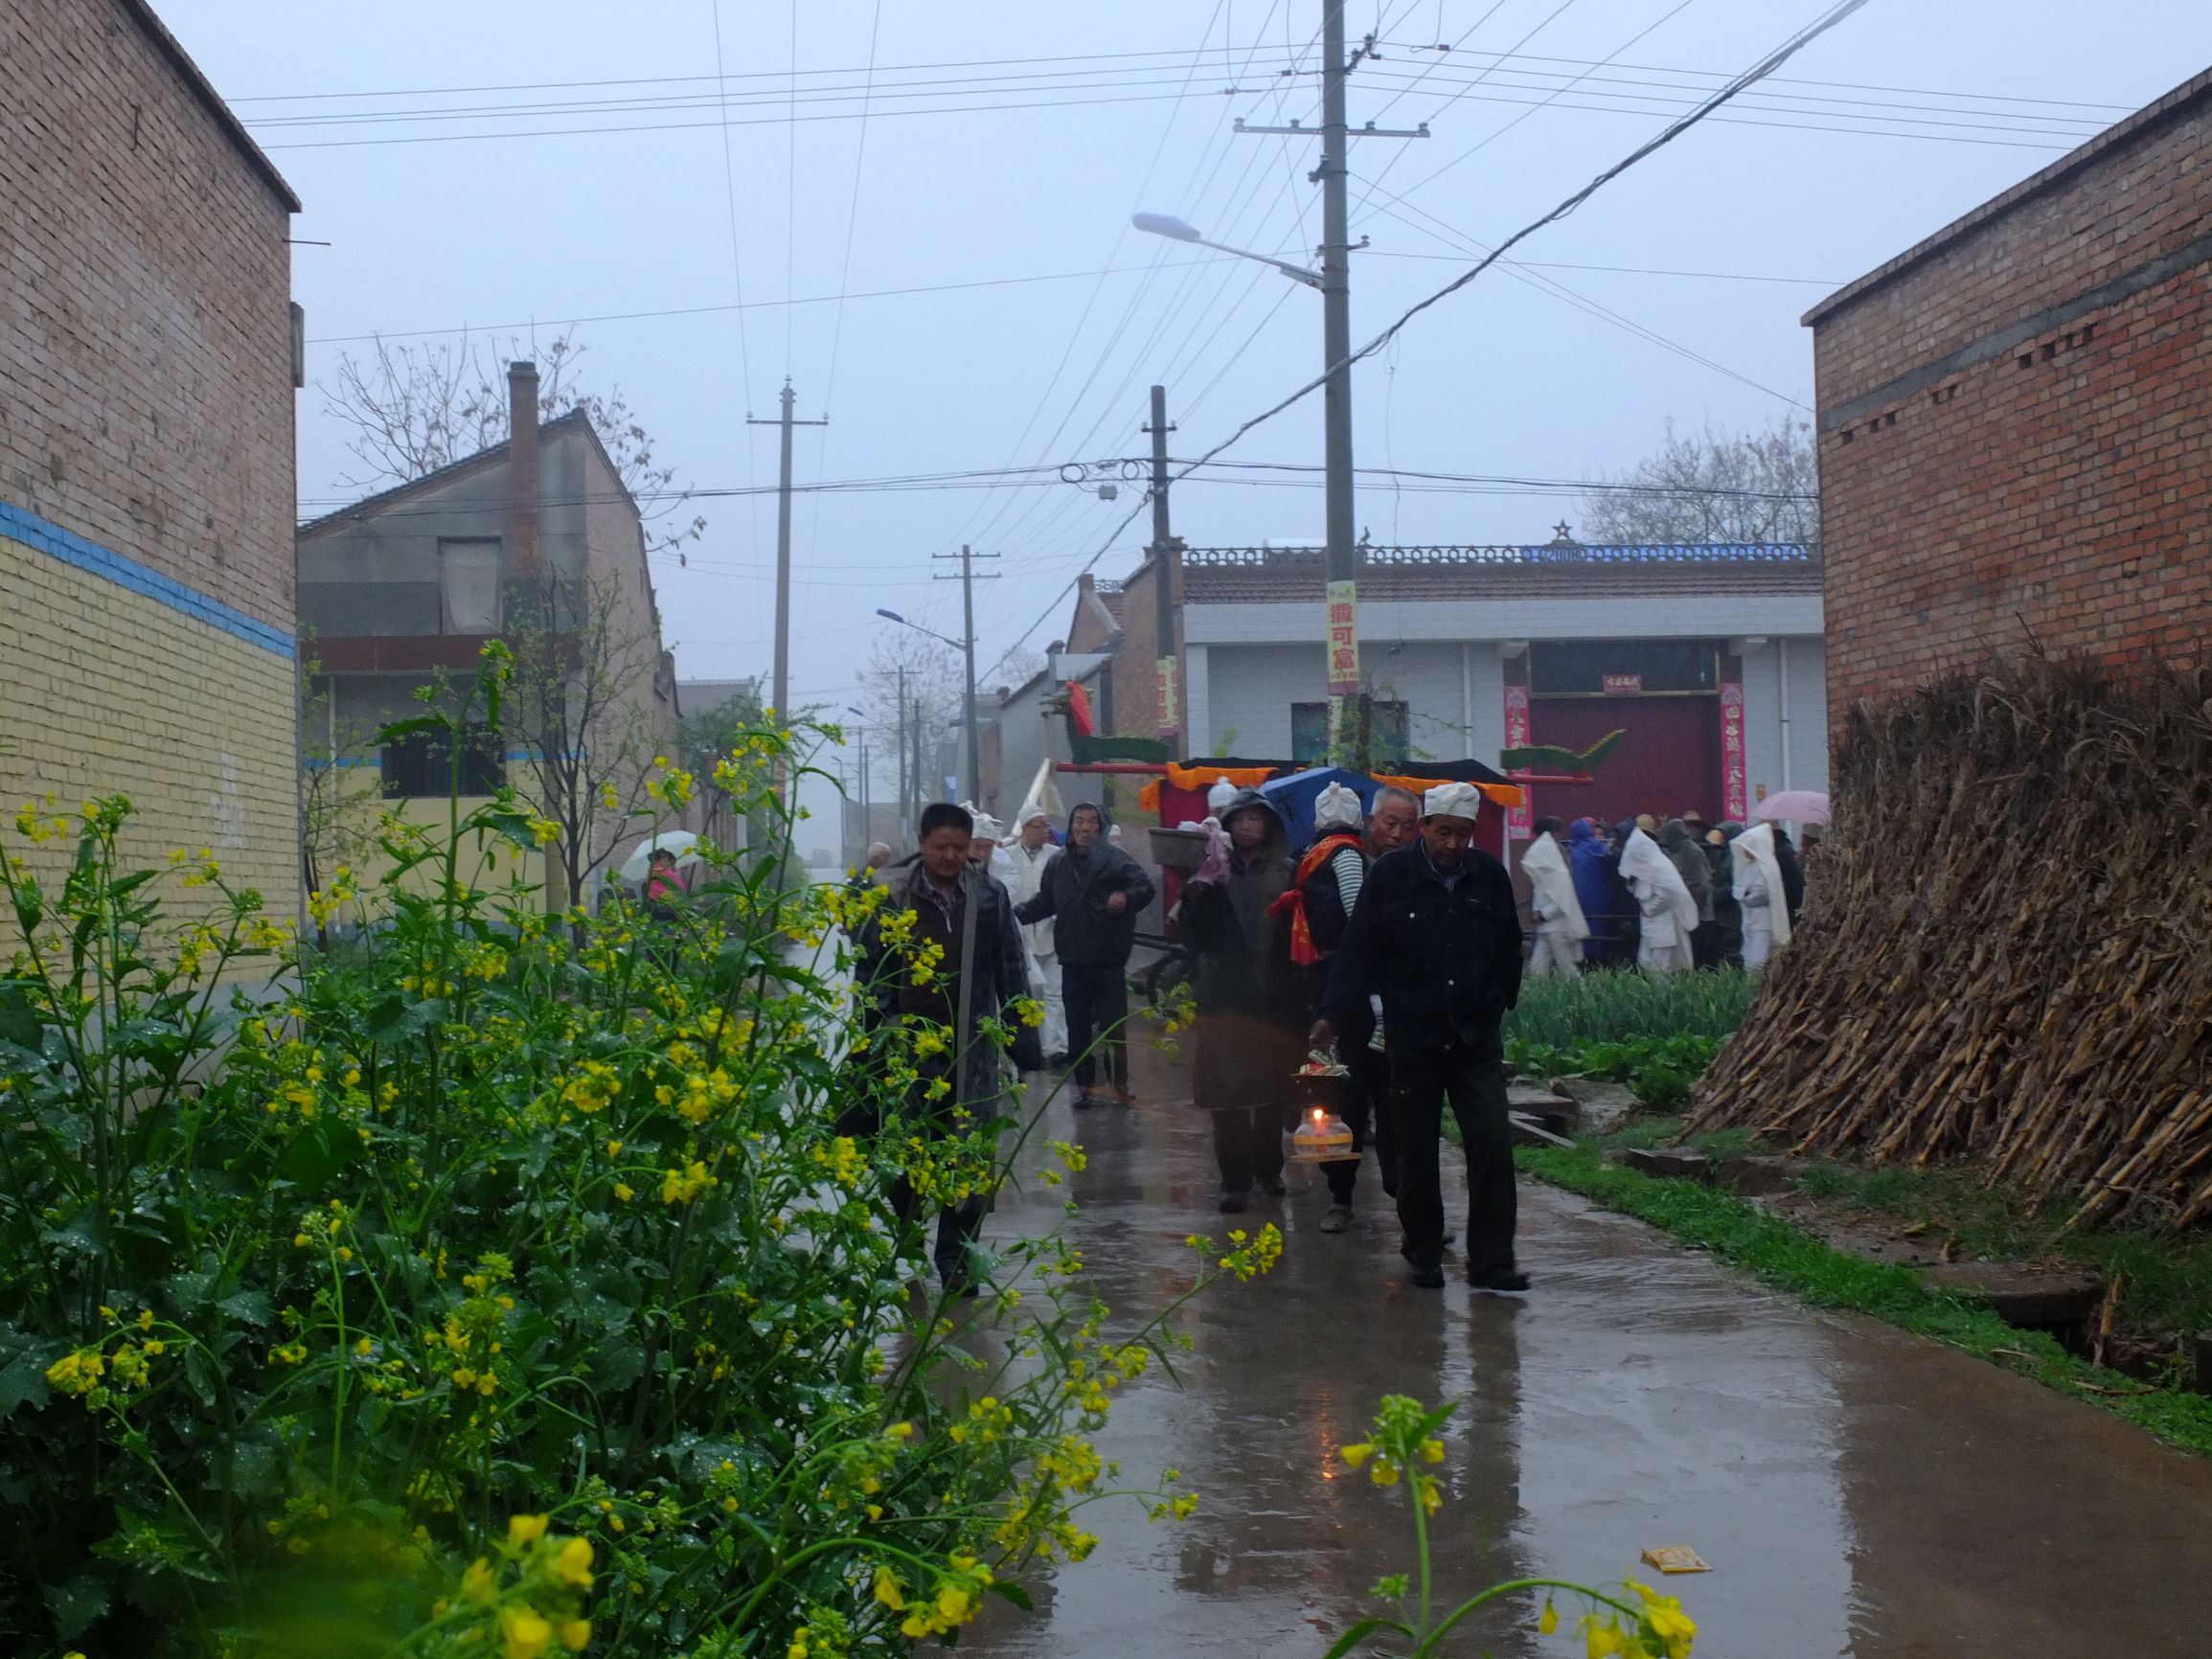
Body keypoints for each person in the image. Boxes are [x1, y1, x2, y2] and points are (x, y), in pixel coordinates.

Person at [1314, 783, 1527, 1293]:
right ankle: (1424, 1249)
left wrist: (1498, 999)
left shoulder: (1489, 876)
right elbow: (1358, 950)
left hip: (1474, 1035)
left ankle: (1493, 1262)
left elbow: (1507, 945)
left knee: (1492, 1143)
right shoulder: (1391, 876)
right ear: (1426, 828)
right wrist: (1335, 1015)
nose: (1453, 844)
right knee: (1414, 1150)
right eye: (1444, 832)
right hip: (1412, 1037)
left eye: (1464, 835)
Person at [853, 803, 1034, 1291]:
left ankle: (956, 1261)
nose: (950, 856)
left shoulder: (988, 896)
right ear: (922, 842)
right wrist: (865, 1040)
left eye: (959, 847)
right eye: (940, 847)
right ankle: (908, 1240)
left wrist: (1021, 1037)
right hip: (905, 1048)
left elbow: (1011, 967)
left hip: (971, 1046)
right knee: (903, 1152)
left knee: (970, 1157)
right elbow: (868, 971)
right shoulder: (888, 894)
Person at [1180, 789, 1303, 1213]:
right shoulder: (1212, 872)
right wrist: (1197, 892)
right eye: (1242, 818)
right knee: (1226, 1094)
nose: (1249, 825)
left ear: (1269, 826)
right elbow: (1192, 937)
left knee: (1271, 1091)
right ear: (1229, 824)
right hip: (1224, 999)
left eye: (1258, 818)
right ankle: (1234, 1180)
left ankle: (1269, 1170)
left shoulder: (1288, 873)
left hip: (1273, 997)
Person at [1265, 781, 1375, 1231]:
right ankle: (1341, 1193)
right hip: (1343, 985)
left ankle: (1341, 1193)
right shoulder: (1347, 855)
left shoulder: (1310, 858)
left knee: (1332, 1086)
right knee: (1343, 1088)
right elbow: (1358, 914)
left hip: (1321, 983)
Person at [1014, 802, 1156, 1107]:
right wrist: (1013, 916)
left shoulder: (1118, 861)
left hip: (1109, 959)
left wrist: (1126, 898)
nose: (1085, 828)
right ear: (1072, 826)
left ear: (1101, 828)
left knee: (1113, 1026)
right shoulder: (1058, 863)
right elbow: (1046, 901)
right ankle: (1084, 1088)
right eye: (1079, 822)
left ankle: (1119, 1083)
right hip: (1073, 959)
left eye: (1092, 822)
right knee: (1077, 1028)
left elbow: (1144, 887)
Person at [1004, 799, 1068, 1064]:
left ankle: (1056, 1047)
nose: (1045, 830)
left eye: (1046, 825)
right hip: (1022, 934)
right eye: (1039, 826)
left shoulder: (1056, 855)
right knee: (1034, 990)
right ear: (1025, 828)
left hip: (1053, 932)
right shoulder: (1008, 856)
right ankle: (1031, 1046)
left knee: (1056, 992)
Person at [1621, 826, 1698, 974]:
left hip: (1664, 923)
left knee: (1661, 967)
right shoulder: (1644, 868)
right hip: (1649, 923)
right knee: (1646, 962)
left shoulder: (1658, 867)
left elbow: (1665, 896)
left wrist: (1649, 909)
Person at [1520, 816, 1587, 976]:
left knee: (1567, 969)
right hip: (1546, 927)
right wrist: (1537, 912)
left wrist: (1542, 915)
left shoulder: (1558, 873)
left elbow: (1563, 900)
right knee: (1537, 970)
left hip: (1557, 927)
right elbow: (1539, 892)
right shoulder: (1547, 871)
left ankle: (1586, 997)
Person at [1733, 820, 1792, 966]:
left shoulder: (1766, 868)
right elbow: (1739, 889)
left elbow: (1760, 892)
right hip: (1750, 920)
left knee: (1760, 960)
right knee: (1749, 959)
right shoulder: (1749, 866)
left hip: (1763, 920)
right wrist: (1745, 892)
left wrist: (1745, 893)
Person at [1658, 819, 1716, 967]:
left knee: (1701, 956)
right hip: (1686, 910)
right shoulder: (1676, 850)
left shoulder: (1692, 851)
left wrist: (1694, 907)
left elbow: (1703, 885)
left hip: (1700, 913)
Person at [1567, 818, 1616, 966]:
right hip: (1600, 898)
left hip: (1578, 900)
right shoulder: (1599, 848)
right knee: (1600, 932)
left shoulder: (1572, 851)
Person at [1705, 823, 1744, 967]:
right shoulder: (1724, 853)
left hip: (1731, 913)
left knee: (1730, 951)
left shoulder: (1735, 857)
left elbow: (1735, 884)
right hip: (1722, 913)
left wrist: (1713, 895)